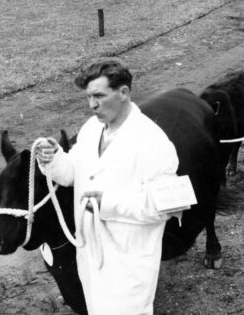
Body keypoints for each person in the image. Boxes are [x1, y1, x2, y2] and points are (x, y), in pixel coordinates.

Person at [36, 59, 180, 315]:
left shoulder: (154, 142)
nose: (92, 105)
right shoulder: (92, 128)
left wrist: (107, 203)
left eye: (99, 96)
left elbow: (164, 209)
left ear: (123, 92)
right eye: (89, 97)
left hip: (128, 261)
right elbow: (72, 173)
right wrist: (54, 158)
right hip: (91, 255)